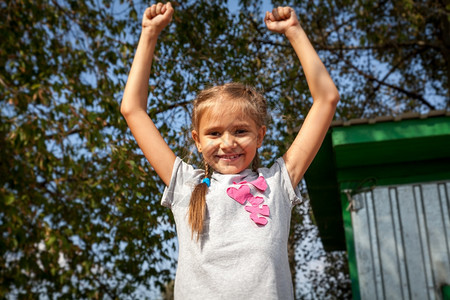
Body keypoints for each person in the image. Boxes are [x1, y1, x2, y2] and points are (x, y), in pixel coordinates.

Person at [121, 2, 339, 299]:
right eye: (214, 133)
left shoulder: (278, 182)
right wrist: (149, 33)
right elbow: (132, 109)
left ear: (260, 135)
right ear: (197, 140)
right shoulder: (186, 185)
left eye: (240, 131)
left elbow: (326, 98)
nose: (227, 143)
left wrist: (294, 31)